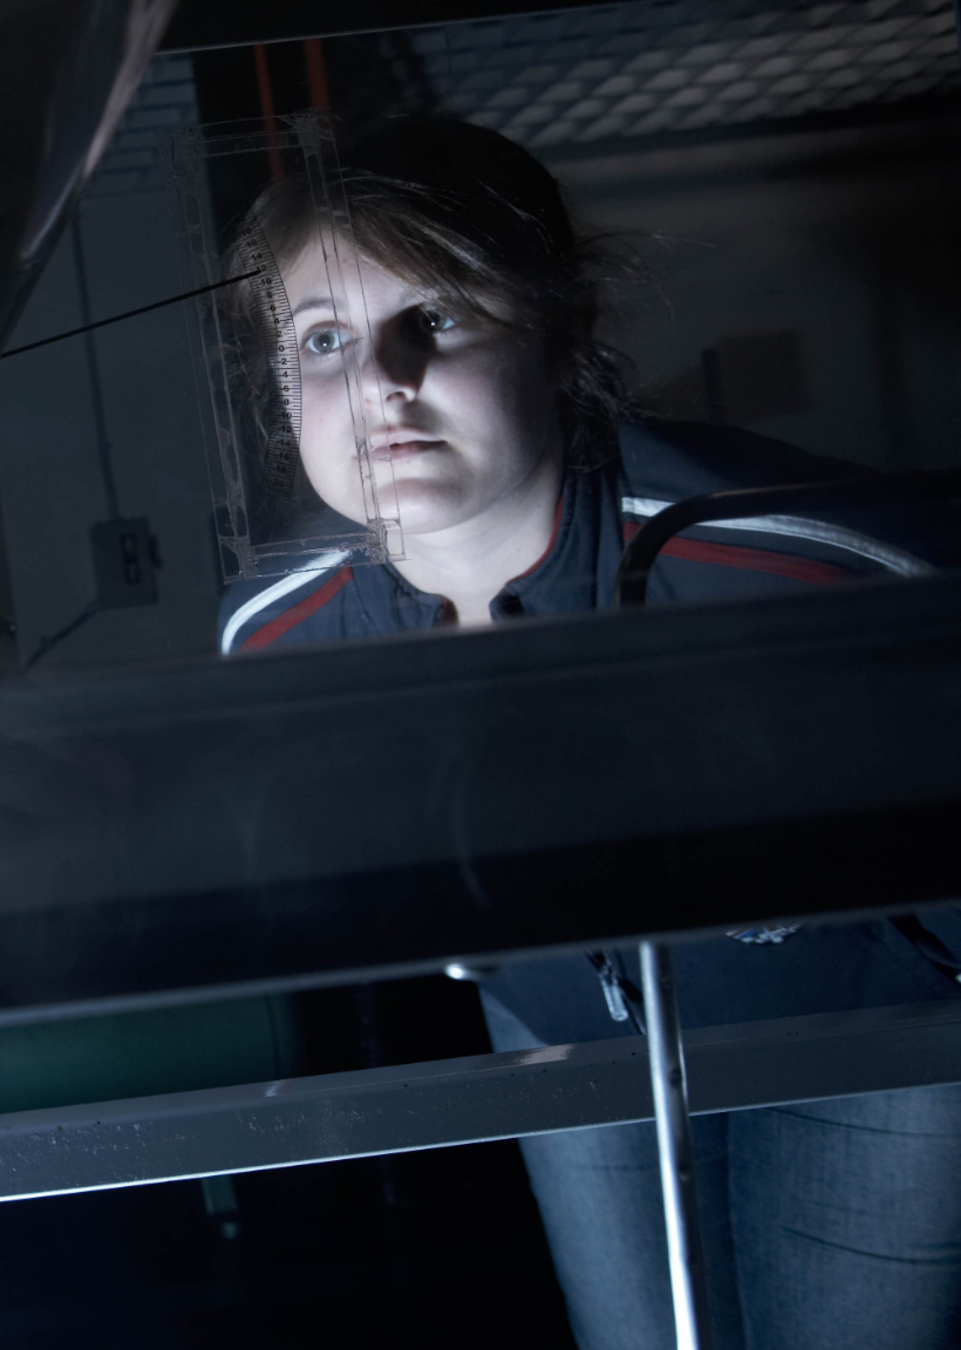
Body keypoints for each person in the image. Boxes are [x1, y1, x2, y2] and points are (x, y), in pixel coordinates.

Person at [214, 117, 961, 1350]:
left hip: (867, 1032)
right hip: (571, 1042)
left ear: (558, 338)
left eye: (440, 317)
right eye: (327, 341)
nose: (385, 380)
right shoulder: (278, 640)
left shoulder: (776, 553)